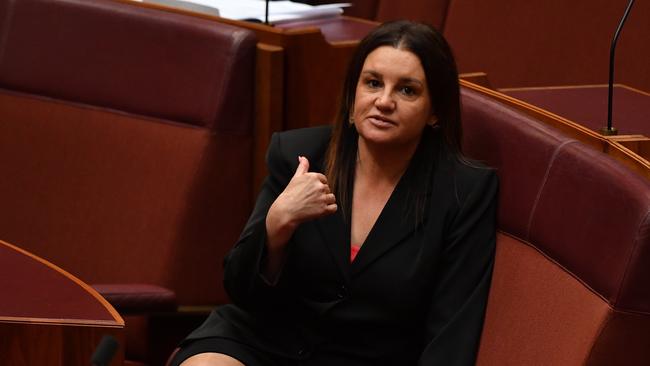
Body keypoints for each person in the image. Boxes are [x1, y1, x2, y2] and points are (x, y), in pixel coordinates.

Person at [171, 20, 498, 366]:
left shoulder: (463, 191)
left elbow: (452, 331)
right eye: (373, 83)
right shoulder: (299, 154)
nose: (384, 101)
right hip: (268, 339)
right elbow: (240, 290)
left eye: (407, 90)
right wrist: (276, 226)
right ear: (352, 95)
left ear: (434, 112)